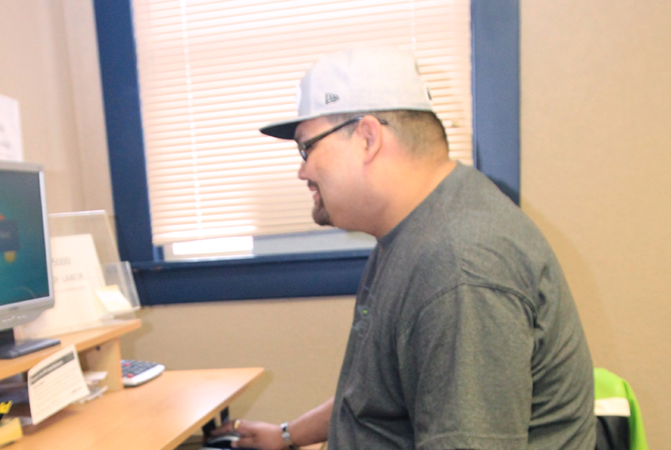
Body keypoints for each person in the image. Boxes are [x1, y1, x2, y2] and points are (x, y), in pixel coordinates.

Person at [212, 46, 595, 449]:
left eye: (307, 147)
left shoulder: (459, 265)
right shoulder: (412, 230)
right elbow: (379, 394)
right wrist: (287, 436)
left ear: (367, 138)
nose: (301, 169)